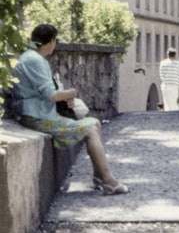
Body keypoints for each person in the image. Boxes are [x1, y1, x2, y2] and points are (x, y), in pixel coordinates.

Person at [10, 23, 128, 195]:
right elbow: (51, 95)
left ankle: (98, 177)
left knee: (94, 123)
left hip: (38, 113)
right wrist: (71, 92)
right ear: (51, 41)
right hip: (37, 117)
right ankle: (109, 180)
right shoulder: (35, 60)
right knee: (90, 130)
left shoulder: (30, 57)